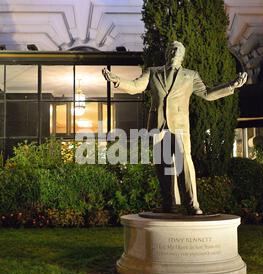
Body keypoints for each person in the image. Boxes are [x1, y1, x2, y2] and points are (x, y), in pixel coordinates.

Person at [102, 41, 247, 215]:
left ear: (183, 56)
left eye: (178, 51)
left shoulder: (190, 75)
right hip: (158, 126)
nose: (174, 53)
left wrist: (231, 86)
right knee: (162, 166)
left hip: (179, 126)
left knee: (184, 163)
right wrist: (117, 80)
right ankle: (169, 204)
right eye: (172, 50)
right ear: (167, 53)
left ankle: (192, 205)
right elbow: (135, 87)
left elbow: (207, 94)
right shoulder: (153, 72)